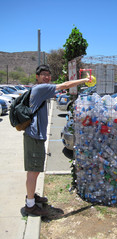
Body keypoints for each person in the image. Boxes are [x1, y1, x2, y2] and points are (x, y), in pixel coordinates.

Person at [24, 64, 90, 216]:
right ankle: (30, 205)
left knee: (35, 170)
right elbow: (65, 85)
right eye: (43, 75)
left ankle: (32, 197)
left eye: (48, 74)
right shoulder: (41, 89)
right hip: (34, 136)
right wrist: (85, 80)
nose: (47, 77)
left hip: (35, 136)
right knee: (33, 172)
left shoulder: (40, 89)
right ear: (37, 77)